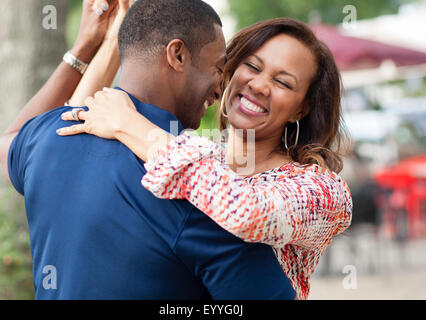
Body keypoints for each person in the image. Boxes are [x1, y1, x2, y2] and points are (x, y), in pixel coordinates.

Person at [0, 0, 296, 299]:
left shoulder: (49, 135)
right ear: (177, 55)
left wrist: (85, 48)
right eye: (218, 68)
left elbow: (9, 139)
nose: (220, 90)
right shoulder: (201, 185)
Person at [57, 17, 354, 300]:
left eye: (283, 83)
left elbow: (247, 213)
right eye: (252, 66)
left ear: (301, 109)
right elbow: (77, 123)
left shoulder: (322, 190)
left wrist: (130, 124)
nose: (260, 85)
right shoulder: (193, 153)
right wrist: (110, 41)